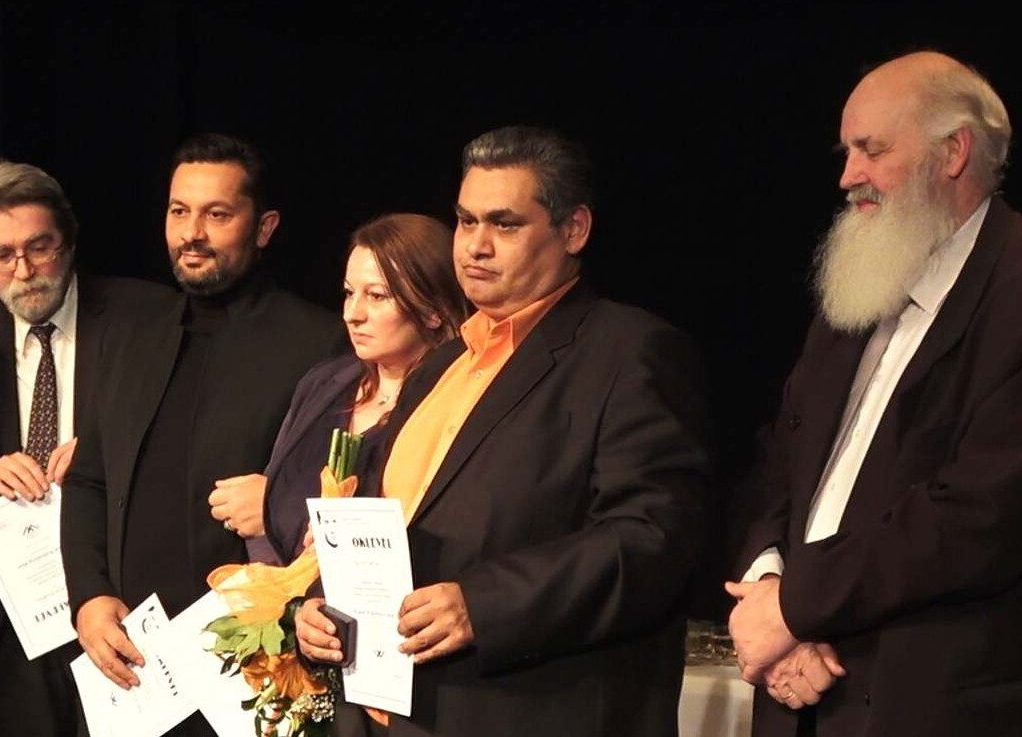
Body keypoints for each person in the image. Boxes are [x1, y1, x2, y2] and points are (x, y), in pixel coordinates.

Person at [725, 50, 1022, 736]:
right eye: (847, 152)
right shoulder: (855, 292)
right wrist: (769, 583)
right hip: (805, 691)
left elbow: (978, 518)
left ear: (953, 151)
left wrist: (797, 606)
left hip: (949, 707)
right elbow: (781, 463)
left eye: (871, 149)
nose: (848, 175)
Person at [295, 125, 713, 735]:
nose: (475, 246)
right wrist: (321, 603)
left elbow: (654, 539)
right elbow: (388, 523)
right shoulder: (440, 364)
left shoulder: (630, 351)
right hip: (397, 712)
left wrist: (484, 605)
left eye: (505, 224)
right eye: (466, 221)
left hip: (531, 709)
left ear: (574, 230)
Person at [61, 133, 347, 735]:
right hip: (132, 667)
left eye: (217, 215)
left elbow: (348, 495)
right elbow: (88, 480)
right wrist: (87, 597)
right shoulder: (129, 335)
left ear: (264, 228)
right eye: (179, 211)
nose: (192, 232)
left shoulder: (318, 343)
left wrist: (277, 499)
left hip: (253, 670)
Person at [0, 157, 171, 736]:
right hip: (17, 618)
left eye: (39, 247)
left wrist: (105, 453)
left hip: (121, 600)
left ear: (68, 242)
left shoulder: (148, 318)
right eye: (1, 255)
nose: (23, 270)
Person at [215, 213, 469, 566]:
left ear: (433, 310)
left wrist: (283, 514)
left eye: (377, 296)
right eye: (350, 293)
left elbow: (435, 533)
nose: (353, 314)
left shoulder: (453, 403)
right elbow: (270, 505)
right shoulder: (326, 384)